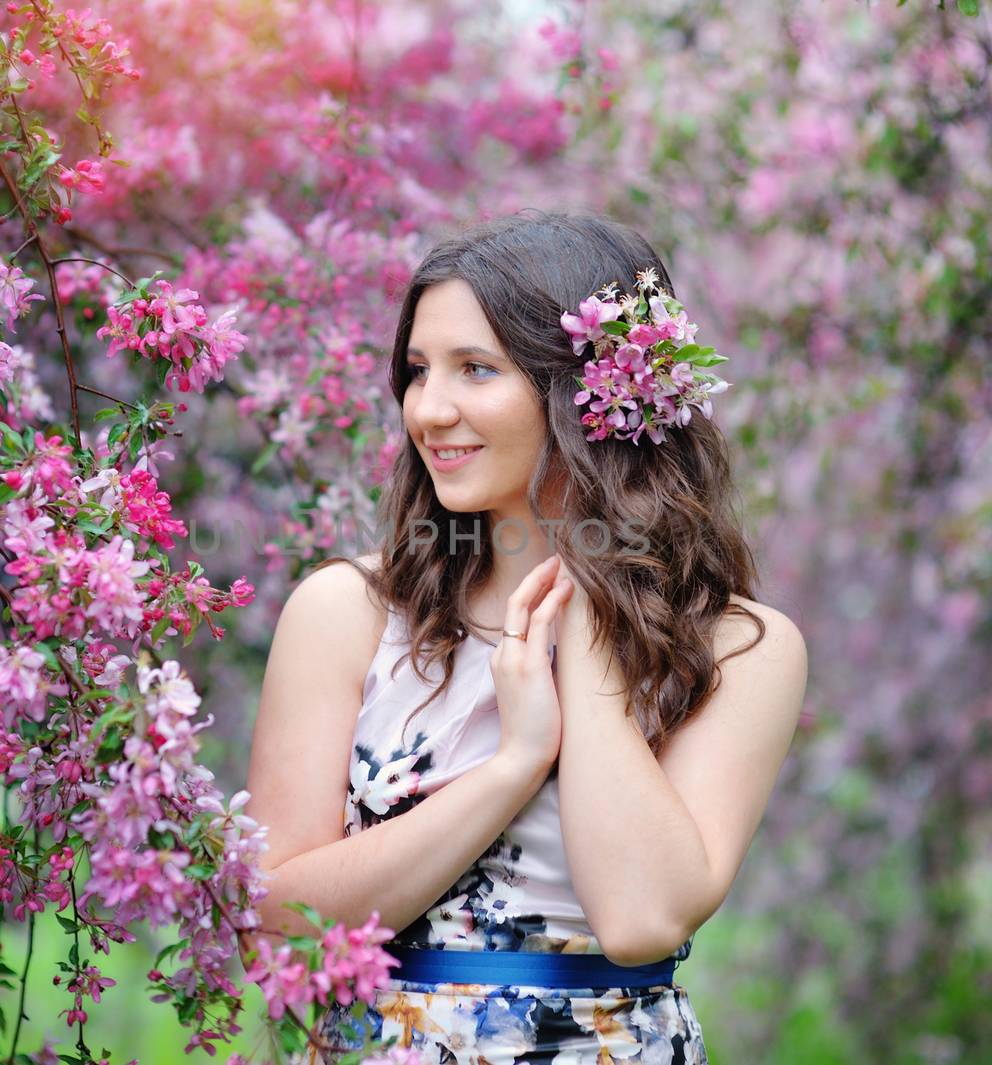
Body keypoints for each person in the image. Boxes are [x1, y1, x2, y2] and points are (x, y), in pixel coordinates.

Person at [244, 210, 808, 1064]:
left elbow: (643, 916)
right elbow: (281, 916)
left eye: (476, 369)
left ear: (587, 397)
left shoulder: (741, 644)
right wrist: (513, 765)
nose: (429, 409)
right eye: (417, 370)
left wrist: (586, 626)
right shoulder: (349, 613)